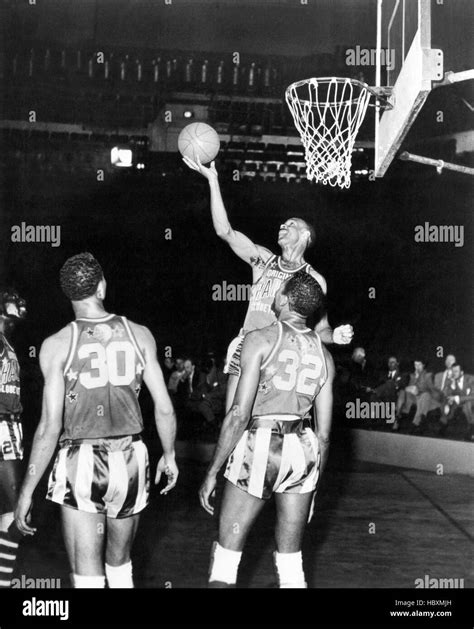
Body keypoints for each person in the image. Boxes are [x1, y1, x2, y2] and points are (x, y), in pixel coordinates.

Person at [14, 253, 178, 588]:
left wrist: (27, 489)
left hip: (82, 460)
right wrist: (170, 454)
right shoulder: (140, 334)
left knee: (87, 579)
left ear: (68, 295)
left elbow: (49, 426)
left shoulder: (56, 345)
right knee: (121, 569)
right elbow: (164, 407)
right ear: (101, 287)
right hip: (132, 458)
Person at [183, 156, 352, 411]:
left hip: (280, 356)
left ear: (305, 236)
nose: (283, 226)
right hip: (248, 344)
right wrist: (213, 181)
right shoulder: (263, 260)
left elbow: (320, 330)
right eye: (282, 224)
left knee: (266, 422)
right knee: (235, 417)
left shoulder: (314, 279)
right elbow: (224, 231)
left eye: (291, 224)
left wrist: (336, 336)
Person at [199, 271, 334, 588]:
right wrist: (313, 487)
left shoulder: (259, 339)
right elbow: (325, 434)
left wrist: (212, 471)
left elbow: (237, 414)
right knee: (291, 565)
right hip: (303, 448)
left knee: (226, 559)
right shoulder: (325, 355)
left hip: (263, 443)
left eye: (278, 290)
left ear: (284, 299)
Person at [0, 289, 27, 588]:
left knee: (12, 510)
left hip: (10, 427)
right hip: (2, 427)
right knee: (17, 509)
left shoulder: (7, 342)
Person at [396, 359, 437, 434]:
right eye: (415, 365)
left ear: (423, 365)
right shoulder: (411, 376)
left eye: (419, 365)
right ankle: (397, 417)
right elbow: (406, 387)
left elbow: (431, 389)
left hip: (423, 396)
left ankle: (416, 422)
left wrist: (418, 390)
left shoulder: (428, 375)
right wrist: (411, 385)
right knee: (402, 392)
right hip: (412, 397)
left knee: (425, 395)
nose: (417, 367)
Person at [440, 363, 474, 441]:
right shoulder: (451, 380)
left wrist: (456, 397)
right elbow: (446, 395)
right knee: (445, 403)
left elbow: (473, 395)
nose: (453, 374)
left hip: (470, 401)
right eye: (452, 371)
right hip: (458, 402)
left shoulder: (471, 379)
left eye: (456, 371)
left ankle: (472, 428)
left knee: (468, 404)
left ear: (461, 372)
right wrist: (452, 387)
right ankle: (443, 424)